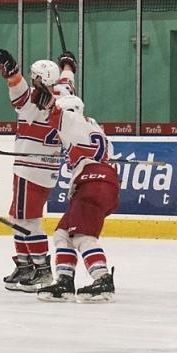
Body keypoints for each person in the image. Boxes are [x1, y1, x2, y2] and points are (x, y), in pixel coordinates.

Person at [0, 49, 76, 292]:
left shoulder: (32, 104)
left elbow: (18, 91)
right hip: (47, 168)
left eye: (34, 76)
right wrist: (68, 65)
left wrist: (13, 74)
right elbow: (67, 79)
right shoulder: (65, 95)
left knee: (27, 221)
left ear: (38, 79)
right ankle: (26, 264)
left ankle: (41, 269)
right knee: (20, 218)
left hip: (30, 168)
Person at [29, 94, 119, 303]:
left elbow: (56, 113)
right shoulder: (96, 127)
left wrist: (46, 100)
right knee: (62, 234)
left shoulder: (71, 119)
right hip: (100, 183)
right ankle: (65, 281)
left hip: (92, 184)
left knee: (82, 237)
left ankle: (103, 278)